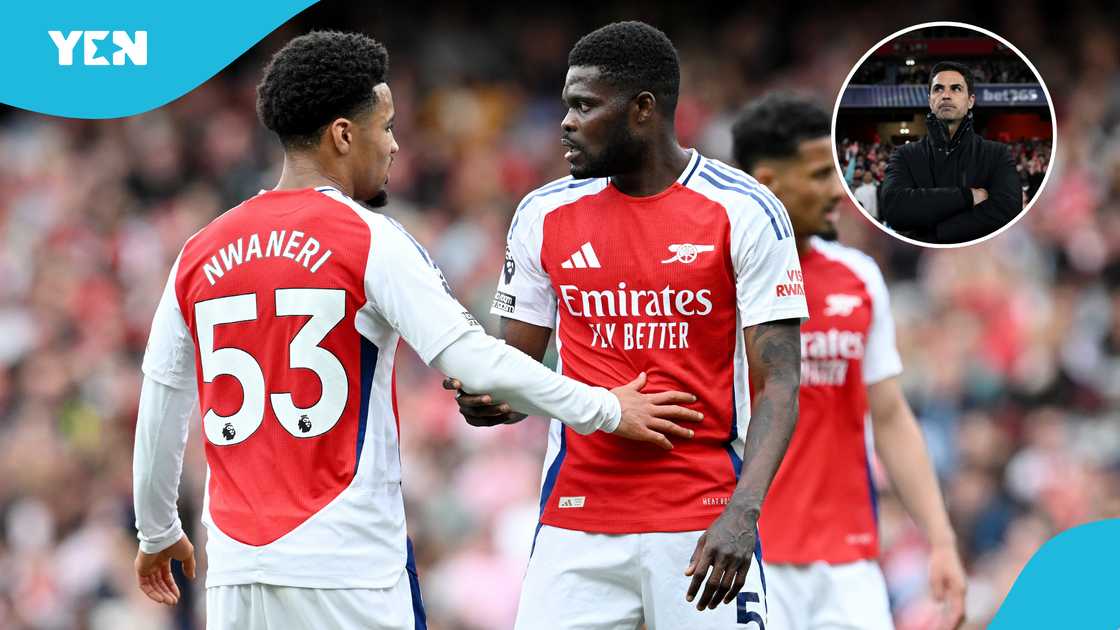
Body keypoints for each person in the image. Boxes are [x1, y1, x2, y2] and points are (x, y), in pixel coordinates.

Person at [130, 30, 704, 630]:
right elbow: (474, 361)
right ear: (343, 135)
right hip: (349, 570)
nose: (395, 146)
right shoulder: (367, 238)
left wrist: (158, 530)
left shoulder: (198, 252)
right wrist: (606, 407)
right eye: (386, 127)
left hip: (235, 575)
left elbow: (162, 404)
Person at [445, 21, 807, 629]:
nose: (565, 121)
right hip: (576, 522)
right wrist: (491, 399)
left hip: (702, 519)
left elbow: (781, 381)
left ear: (643, 109)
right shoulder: (543, 214)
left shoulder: (743, 209)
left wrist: (743, 513)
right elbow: (519, 371)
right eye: (567, 105)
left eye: (585, 105)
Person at [731, 92, 967, 629]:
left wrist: (941, 540)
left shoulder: (858, 278)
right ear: (768, 182)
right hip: (745, 558)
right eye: (819, 175)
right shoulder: (719, 286)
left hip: (850, 563)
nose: (838, 189)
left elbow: (888, 416)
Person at [880, 61, 1022, 244]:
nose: (946, 95)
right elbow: (894, 209)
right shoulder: (904, 155)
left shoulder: (997, 154)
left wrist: (935, 233)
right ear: (930, 100)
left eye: (956, 89)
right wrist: (968, 196)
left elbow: (1007, 211)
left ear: (970, 101)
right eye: (938, 89)